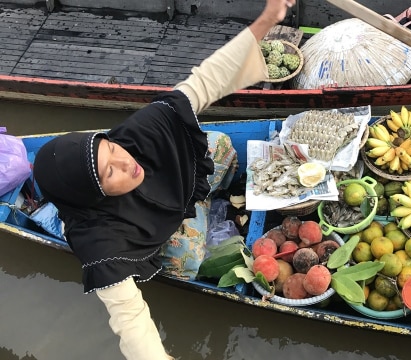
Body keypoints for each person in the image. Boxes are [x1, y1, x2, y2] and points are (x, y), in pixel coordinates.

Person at [31, 0, 295, 359]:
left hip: (176, 190)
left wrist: (265, 21)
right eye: (110, 171)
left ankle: (202, 199)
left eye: (112, 149)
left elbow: (204, 81)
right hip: (153, 230)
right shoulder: (99, 240)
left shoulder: (137, 137)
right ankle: (191, 220)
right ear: (95, 193)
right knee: (187, 261)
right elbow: (129, 318)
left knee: (218, 146)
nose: (127, 163)